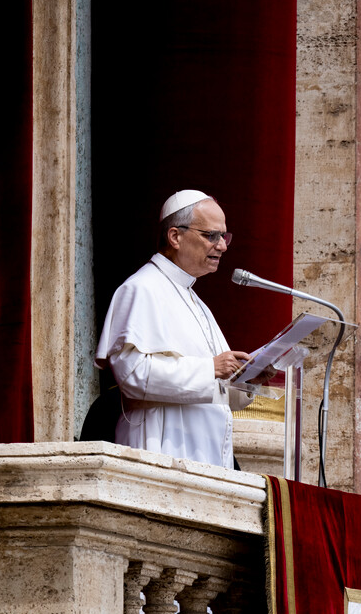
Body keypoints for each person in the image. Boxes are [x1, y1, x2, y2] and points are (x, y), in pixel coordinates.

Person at [94, 190, 252, 469]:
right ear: (175, 237)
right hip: (161, 446)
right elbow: (133, 374)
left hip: (207, 455)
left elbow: (221, 393)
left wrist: (249, 377)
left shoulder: (197, 303)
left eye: (224, 237)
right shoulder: (141, 289)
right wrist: (210, 368)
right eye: (211, 236)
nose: (222, 246)